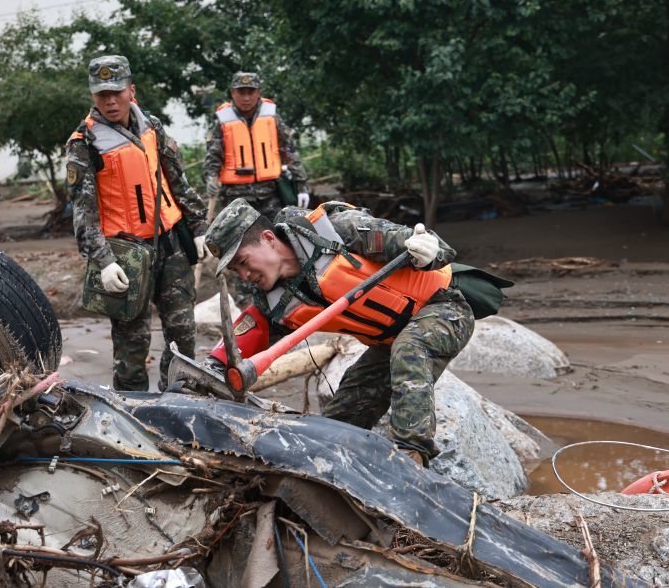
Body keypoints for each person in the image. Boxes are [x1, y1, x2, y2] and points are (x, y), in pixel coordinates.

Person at [202, 199, 475, 466]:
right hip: (389, 341)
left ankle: (412, 460)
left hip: (445, 309)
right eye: (236, 270)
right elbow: (245, 336)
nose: (245, 275)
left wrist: (427, 253)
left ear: (268, 238)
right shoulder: (272, 300)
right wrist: (212, 367)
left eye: (243, 261)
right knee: (341, 415)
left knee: (409, 348)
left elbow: (439, 249)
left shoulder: (337, 229)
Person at [66, 55, 209, 391]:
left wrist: (199, 226)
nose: (110, 100)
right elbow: (83, 212)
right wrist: (102, 260)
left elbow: (177, 180)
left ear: (132, 90)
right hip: (126, 256)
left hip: (171, 245)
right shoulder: (83, 143)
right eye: (102, 95)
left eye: (117, 92)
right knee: (132, 348)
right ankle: (134, 417)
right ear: (93, 96)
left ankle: (179, 402)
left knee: (183, 335)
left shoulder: (152, 127)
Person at [203, 71, 309, 303]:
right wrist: (211, 180)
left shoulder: (272, 117)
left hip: (270, 193)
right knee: (241, 252)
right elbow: (212, 158)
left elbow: (289, 150)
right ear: (233, 93)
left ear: (258, 92)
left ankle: (292, 296)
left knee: (279, 243)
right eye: (241, 92)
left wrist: (301, 184)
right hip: (236, 199)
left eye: (250, 92)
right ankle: (249, 302)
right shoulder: (222, 120)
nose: (246, 97)